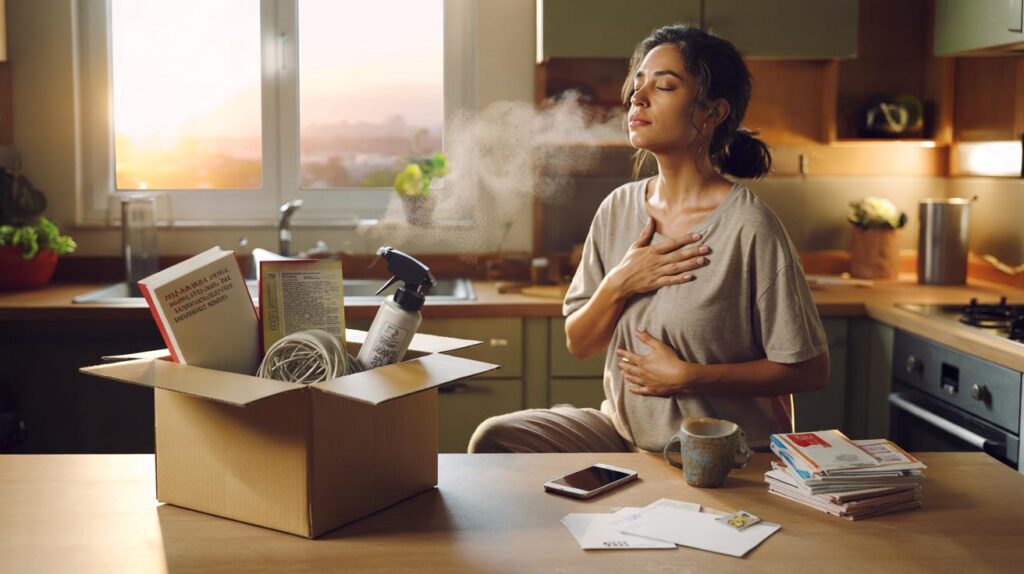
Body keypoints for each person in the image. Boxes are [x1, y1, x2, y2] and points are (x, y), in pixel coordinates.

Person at [468, 24, 829, 454]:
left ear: (713, 112)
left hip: (718, 454)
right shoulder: (617, 208)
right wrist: (622, 280)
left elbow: (810, 371)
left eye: (664, 86)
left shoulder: (750, 227)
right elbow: (580, 342)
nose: (637, 98)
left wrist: (690, 376)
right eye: (637, 84)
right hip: (622, 435)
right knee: (495, 439)